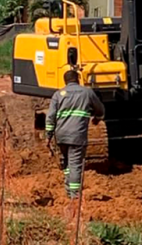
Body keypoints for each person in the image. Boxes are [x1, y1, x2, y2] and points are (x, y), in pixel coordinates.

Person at [45, 70, 105, 200]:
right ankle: (75, 196)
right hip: (77, 136)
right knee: (75, 164)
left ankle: (69, 192)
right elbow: (100, 110)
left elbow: (50, 117)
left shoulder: (58, 95)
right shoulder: (87, 92)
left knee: (67, 163)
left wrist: (48, 136)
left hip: (61, 135)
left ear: (65, 81)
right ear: (78, 78)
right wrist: (97, 118)